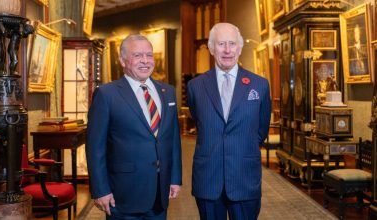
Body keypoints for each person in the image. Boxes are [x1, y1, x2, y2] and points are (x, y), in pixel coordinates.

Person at [86, 34, 182, 220]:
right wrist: (100, 190)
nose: (145, 61)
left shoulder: (168, 92)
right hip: (123, 194)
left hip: (159, 193)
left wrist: (175, 178)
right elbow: (95, 147)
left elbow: (173, 140)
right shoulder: (106, 94)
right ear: (123, 60)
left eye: (149, 55)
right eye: (137, 55)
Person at [187, 23, 271, 220]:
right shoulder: (195, 87)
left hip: (244, 176)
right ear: (211, 48)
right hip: (208, 178)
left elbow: (261, 130)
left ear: (240, 48)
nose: (227, 50)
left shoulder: (259, 85)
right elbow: (199, 121)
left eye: (232, 44)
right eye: (221, 44)